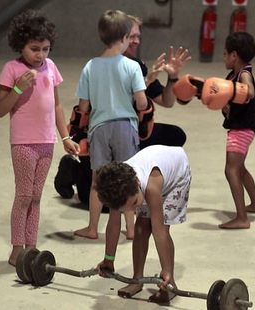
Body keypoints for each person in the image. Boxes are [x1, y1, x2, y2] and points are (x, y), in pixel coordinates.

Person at [54, 14, 190, 206]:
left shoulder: (135, 66)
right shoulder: (102, 67)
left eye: (138, 36)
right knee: (99, 198)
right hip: (101, 133)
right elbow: (84, 109)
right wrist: (75, 137)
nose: (136, 41)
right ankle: (74, 170)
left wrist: (172, 78)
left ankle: (147, 180)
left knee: (175, 136)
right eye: (132, 36)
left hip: (128, 130)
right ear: (122, 36)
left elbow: (166, 101)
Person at [0, 9, 79, 266]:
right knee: (23, 195)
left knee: (36, 196)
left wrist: (65, 137)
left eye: (45, 49)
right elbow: (0, 110)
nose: (41, 55)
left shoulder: (50, 67)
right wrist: (19, 87)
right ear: (20, 45)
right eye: (34, 49)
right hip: (23, 142)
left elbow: (56, 106)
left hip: (46, 142)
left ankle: (31, 246)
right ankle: (16, 247)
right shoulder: (12, 68)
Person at [72, 10, 148, 240]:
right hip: (125, 126)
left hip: (99, 128)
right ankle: (132, 229)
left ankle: (93, 228)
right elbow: (142, 102)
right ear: (125, 36)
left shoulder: (90, 67)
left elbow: (83, 106)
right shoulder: (132, 67)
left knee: (98, 179)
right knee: (129, 177)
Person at [94, 145, 191, 304]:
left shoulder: (151, 187)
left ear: (137, 182)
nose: (135, 209)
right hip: (153, 170)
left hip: (177, 176)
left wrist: (165, 271)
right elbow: (113, 226)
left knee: (160, 226)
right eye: (128, 210)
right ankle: (137, 280)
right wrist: (108, 259)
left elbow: (159, 232)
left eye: (134, 203)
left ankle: (170, 281)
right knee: (140, 228)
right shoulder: (116, 190)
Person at [218, 32, 255, 229]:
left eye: (225, 53)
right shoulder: (232, 75)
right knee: (240, 169)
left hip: (242, 129)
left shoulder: (243, 73)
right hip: (240, 126)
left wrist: (237, 94)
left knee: (231, 170)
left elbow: (249, 91)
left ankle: (242, 218)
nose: (224, 57)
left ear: (234, 55)